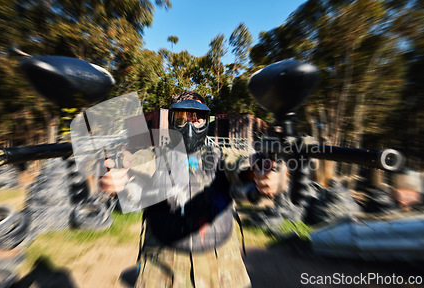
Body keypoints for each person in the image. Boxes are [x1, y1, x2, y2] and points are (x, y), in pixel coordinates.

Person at [99, 91, 288, 287]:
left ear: (206, 121)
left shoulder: (222, 154)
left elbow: (242, 165)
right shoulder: (153, 156)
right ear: (171, 121)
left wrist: (266, 176)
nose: (189, 126)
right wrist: (114, 180)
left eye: (197, 119)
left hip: (223, 266)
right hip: (161, 267)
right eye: (181, 118)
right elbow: (129, 169)